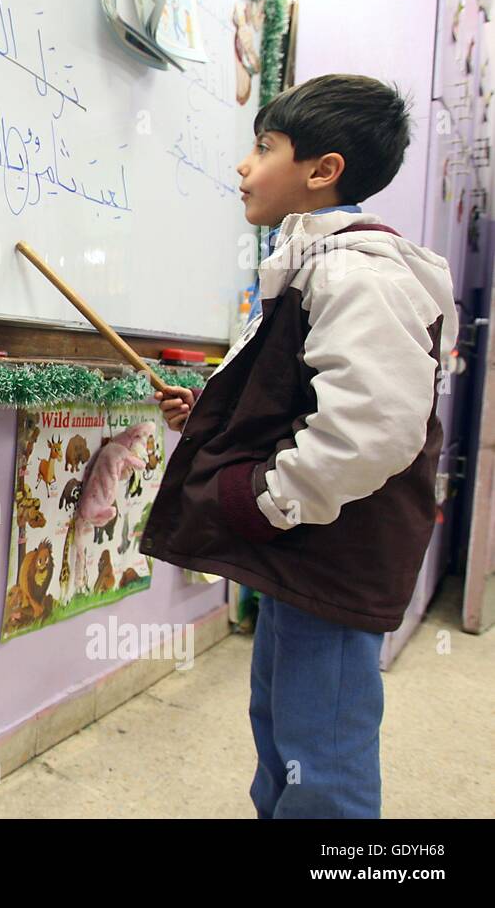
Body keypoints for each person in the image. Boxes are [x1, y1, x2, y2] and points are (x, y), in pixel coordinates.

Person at [140, 74, 458, 818]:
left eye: (263, 147)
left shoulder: (355, 272)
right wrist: (211, 416)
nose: (244, 167)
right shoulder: (311, 258)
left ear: (323, 170)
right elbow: (298, 396)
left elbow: (374, 427)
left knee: (323, 766)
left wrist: (268, 500)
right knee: (280, 733)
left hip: (331, 553)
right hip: (300, 546)